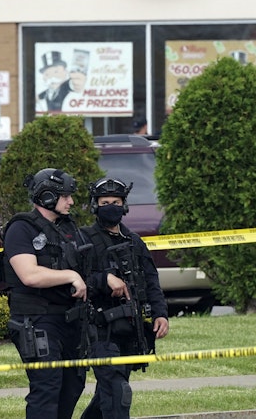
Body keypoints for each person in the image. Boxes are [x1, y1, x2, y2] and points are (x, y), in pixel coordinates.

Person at [1, 168, 90, 419]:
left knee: (73, 385)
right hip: (36, 319)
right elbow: (29, 275)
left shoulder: (67, 229)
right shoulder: (21, 228)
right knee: (47, 386)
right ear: (48, 196)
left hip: (69, 319)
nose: (71, 201)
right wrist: (71, 276)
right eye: (65, 196)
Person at [80, 177, 169, 419]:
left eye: (116, 202)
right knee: (118, 391)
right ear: (95, 205)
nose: (111, 206)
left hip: (130, 328)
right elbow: (73, 282)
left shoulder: (134, 241)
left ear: (124, 205)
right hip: (99, 329)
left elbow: (151, 281)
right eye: (105, 202)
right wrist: (103, 279)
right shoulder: (83, 239)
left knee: (108, 393)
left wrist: (161, 314)